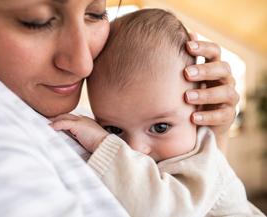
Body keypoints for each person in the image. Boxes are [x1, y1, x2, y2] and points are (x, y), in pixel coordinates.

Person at [0, 0, 239, 216]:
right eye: (37, 20)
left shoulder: (86, 120)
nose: (84, 63)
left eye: (95, 14)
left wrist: (210, 133)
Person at [51, 9, 265, 216]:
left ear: (199, 105)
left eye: (160, 127)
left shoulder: (201, 163)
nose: (136, 149)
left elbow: (161, 211)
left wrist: (103, 142)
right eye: (113, 129)